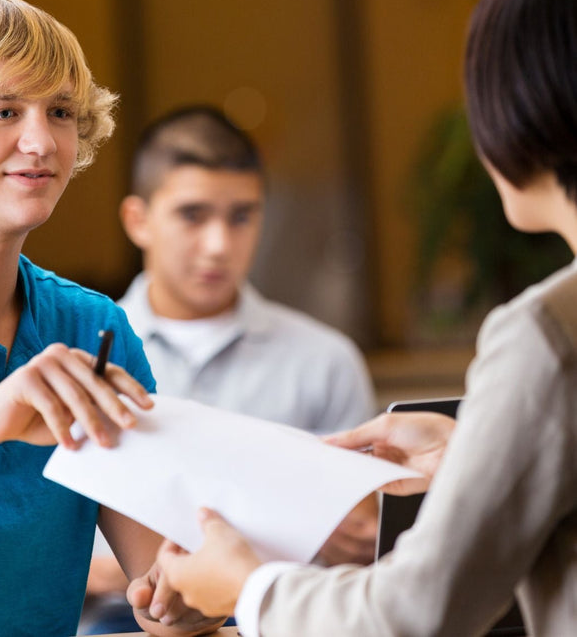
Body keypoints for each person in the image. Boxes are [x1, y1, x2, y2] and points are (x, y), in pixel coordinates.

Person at [147, 0, 577, 636]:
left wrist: (246, 587)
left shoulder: (547, 334)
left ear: (522, 108)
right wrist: (472, 449)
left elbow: (413, 614)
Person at [0, 0, 223, 637]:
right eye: (4, 110)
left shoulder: (95, 327)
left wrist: (186, 594)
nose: (40, 141)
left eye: (60, 112)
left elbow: (165, 595)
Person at [80, 104, 378, 633]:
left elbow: (367, 552)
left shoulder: (326, 361)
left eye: (241, 216)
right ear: (138, 220)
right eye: (193, 215)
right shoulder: (78, 357)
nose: (219, 244)